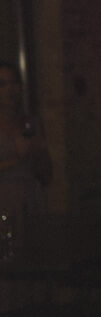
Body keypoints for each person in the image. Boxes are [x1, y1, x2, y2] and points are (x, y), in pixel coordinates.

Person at [0, 62, 52, 238]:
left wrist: (40, 151)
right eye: (3, 84)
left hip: (30, 199)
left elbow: (46, 175)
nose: (10, 90)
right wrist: (16, 158)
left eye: (14, 83)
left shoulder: (30, 123)